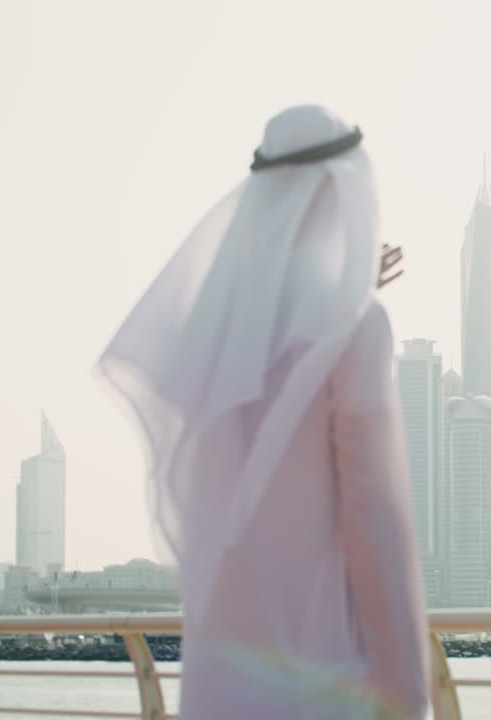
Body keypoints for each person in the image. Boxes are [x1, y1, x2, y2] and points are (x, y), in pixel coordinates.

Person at [98, 106, 428, 720]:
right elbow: (374, 516)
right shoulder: (354, 329)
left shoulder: (214, 337)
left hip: (219, 684)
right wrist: (408, 693)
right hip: (325, 674)